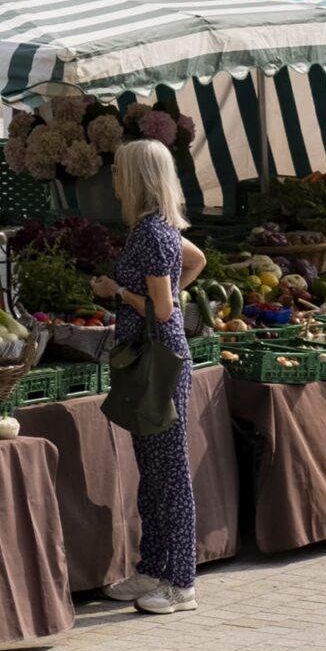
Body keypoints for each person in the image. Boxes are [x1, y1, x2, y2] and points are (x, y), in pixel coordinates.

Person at [91, 139, 204, 616]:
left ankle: (181, 583)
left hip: (158, 363)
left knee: (169, 474)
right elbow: (196, 260)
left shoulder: (152, 234)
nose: (113, 181)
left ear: (134, 179)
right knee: (153, 472)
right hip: (146, 361)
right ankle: (153, 567)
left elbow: (161, 309)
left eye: (118, 172)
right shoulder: (154, 230)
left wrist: (117, 291)